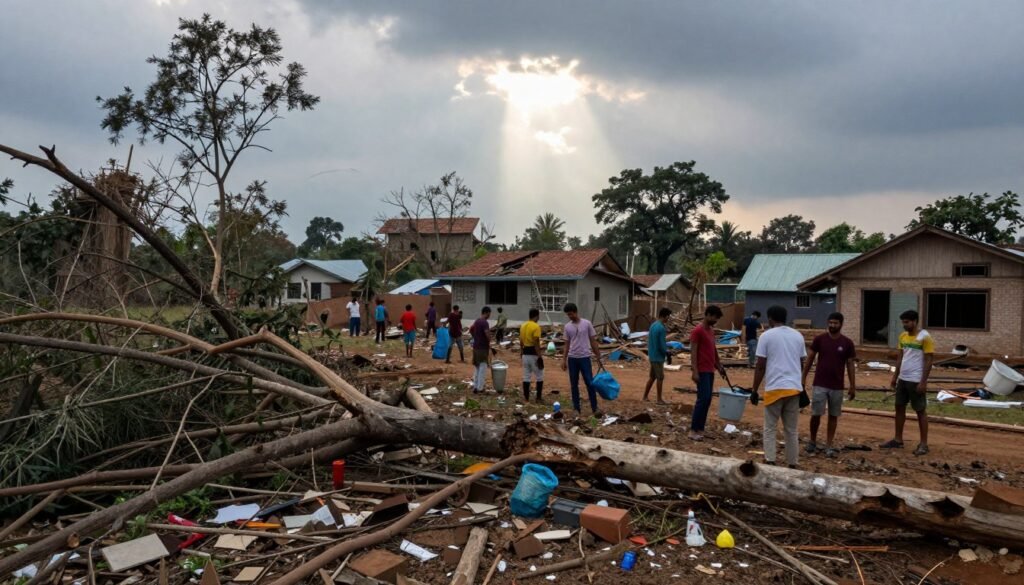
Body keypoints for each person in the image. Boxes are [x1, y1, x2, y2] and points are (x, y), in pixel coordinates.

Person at [751, 305, 806, 468]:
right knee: (791, 429)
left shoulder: (766, 336)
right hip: (793, 389)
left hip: (775, 388)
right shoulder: (798, 336)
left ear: (770, 319)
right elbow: (801, 363)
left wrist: (754, 390)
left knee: (770, 428)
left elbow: (760, 365)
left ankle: (770, 460)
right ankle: (793, 462)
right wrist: (799, 382)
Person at [802, 312, 857, 458]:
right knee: (816, 414)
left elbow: (850, 365)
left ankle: (828, 445)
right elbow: (810, 358)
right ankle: (812, 442)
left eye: (836, 323)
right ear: (827, 322)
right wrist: (803, 377)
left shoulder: (847, 343)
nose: (832, 325)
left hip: (837, 385)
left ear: (841, 324)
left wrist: (852, 385)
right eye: (830, 322)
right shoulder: (820, 339)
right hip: (820, 383)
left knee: (833, 415)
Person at [881, 310, 934, 456]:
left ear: (915, 321)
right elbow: (900, 357)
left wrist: (923, 382)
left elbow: (929, 360)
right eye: (903, 322)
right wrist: (895, 377)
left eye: (907, 322)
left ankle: (923, 444)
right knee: (899, 407)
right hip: (903, 379)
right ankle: (898, 439)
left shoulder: (925, 337)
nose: (905, 325)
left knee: (920, 411)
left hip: (916, 380)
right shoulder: (903, 336)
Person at [689, 305, 726, 441]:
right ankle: (693, 430)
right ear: (708, 315)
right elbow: (693, 352)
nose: (715, 321)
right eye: (715, 318)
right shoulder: (697, 331)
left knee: (707, 400)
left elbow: (713, 350)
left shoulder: (711, 331)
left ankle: (700, 429)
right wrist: (695, 371)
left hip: (710, 370)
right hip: (702, 370)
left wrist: (719, 365)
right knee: (702, 399)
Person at [561, 303, 603, 416]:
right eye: (568, 315)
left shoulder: (587, 324)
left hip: (585, 357)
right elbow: (567, 344)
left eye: (571, 314)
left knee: (590, 383)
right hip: (572, 358)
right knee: (574, 384)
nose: (570, 316)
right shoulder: (567, 327)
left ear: (575, 312)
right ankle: (576, 409)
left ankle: (595, 408)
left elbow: (593, 341)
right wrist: (564, 359)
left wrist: (598, 356)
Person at [643, 307, 672, 404]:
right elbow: (661, 345)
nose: (668, 319)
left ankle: (645, 396)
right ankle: (659, 399)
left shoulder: (653, 325)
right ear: (665, 316)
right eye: (668, 316)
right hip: (658, 357)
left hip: (652, 355)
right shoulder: (661, 328)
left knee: (652, 377)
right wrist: (667, 353)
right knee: (660, 377)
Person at [520, 307, 544, 402]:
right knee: (539, 375)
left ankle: (526, 398)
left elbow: (521, 341)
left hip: (525, 353)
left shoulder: (523, 325)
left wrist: (521, 351)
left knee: (526, 376)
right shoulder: (536, 326)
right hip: (533, 353)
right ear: (537, 316)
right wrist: (539, 355)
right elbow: (536, 342)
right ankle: (538, 397)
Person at [469, 307, 492, 394]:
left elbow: (471, 329)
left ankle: (475, 386)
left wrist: (475, 337)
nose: (489, 315)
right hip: (482, 348)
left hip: (476, 346)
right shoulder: (484, 322)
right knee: (483, 367)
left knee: (477, 367)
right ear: (486, 313)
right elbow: (487, 333)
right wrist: (489, 339)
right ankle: (480, 388)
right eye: (489, 313)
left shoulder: (477, 321)